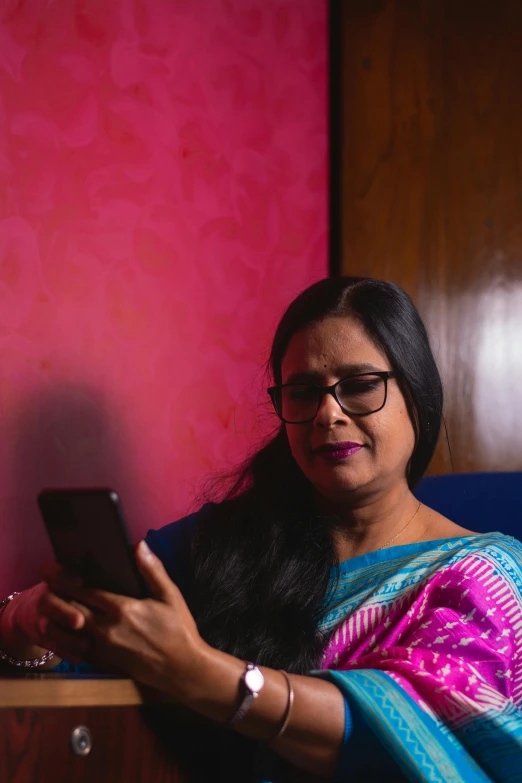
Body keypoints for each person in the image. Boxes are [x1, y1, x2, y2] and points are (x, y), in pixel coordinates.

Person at [0, 276, 521, 782]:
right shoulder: (226, 545)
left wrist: (198, 671)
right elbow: (103, 662)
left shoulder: (484, 578)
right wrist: (24, 629)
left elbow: (423, 734)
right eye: (302, 393)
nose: (328, 413)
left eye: (360, 386)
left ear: (418, 394)